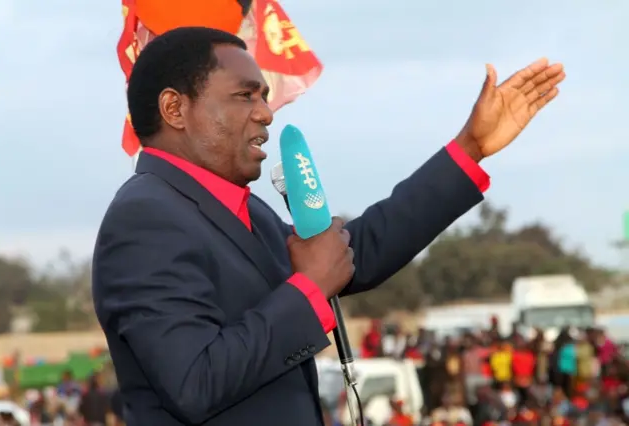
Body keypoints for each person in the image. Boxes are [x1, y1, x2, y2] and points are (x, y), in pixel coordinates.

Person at [91, 26, 565, 426]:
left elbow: (354, 253)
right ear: (175, 109)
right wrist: (308, 289)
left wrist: (469, 149)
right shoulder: (146, 218)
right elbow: (194, 381)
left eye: (264, 96)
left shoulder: (245, 211)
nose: (265, 113)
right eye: (244, 96)